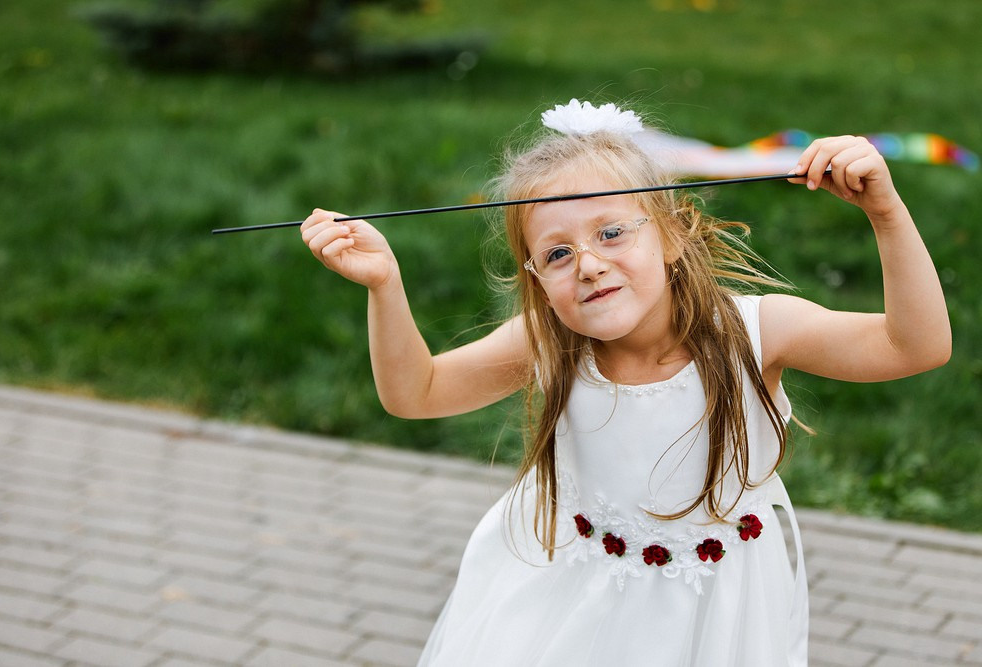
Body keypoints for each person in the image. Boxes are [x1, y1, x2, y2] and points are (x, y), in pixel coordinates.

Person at [300, 100, 951, 666]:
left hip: (717, 613)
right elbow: (416, 393)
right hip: (570, 604)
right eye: (557, 253)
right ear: (536, 280)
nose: (587, 263)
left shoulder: (757, 332)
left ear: (671, 236)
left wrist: (887, 213)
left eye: (611, 232)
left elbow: (915, 346)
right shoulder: (549, 340)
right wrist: (384, 286)